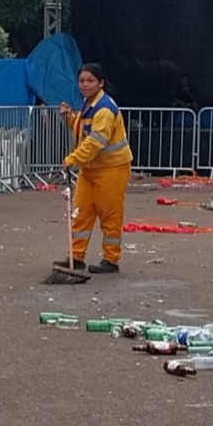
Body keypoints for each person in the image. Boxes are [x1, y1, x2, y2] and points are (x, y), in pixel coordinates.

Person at [57, 63, 133, 274]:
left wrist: (72, 158)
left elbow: (95, 142)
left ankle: (111, 259)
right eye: (82, 81)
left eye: (90, 81)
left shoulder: (105, 109)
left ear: (101, 83)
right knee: (80, 213)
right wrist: (70, 118)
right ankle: (76, 257)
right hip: (90, 170)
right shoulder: (88, 104)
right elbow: (84, 131)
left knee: (110, 215)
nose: (85, 85)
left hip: (112, 168)